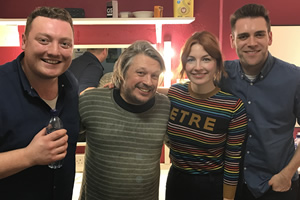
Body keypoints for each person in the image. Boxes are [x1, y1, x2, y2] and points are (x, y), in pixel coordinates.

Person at [219, 3, 300, 200]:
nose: (252, 42)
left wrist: (287, 173)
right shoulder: (221, 75)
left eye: (259, 34)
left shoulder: (295, 78)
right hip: (230, 186)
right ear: (232, 40)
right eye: (244, 36)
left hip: (278, 185)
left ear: (270, 37)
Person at [0, 7, 80, 200]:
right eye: (44, 40)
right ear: (24, 41)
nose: (54, 51)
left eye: (64, 44)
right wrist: (29, 156)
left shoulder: (70, 85)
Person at [79, 40, 170, 200]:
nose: (148, 82)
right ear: (122, 72)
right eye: (140, 73)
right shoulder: (91, 101)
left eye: (154, 76)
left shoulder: (165, 106)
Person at [165, 31, 248, 200]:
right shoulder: (174, 94)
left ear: (217, 64)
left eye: (206, 59)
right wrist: (118, 86)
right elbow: (144, 99)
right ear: (184, 63)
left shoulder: (233, 107)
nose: (197, 67)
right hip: (176, 180)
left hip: (211, 186)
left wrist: (228, 198)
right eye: (191, 59)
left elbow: (232, 161)